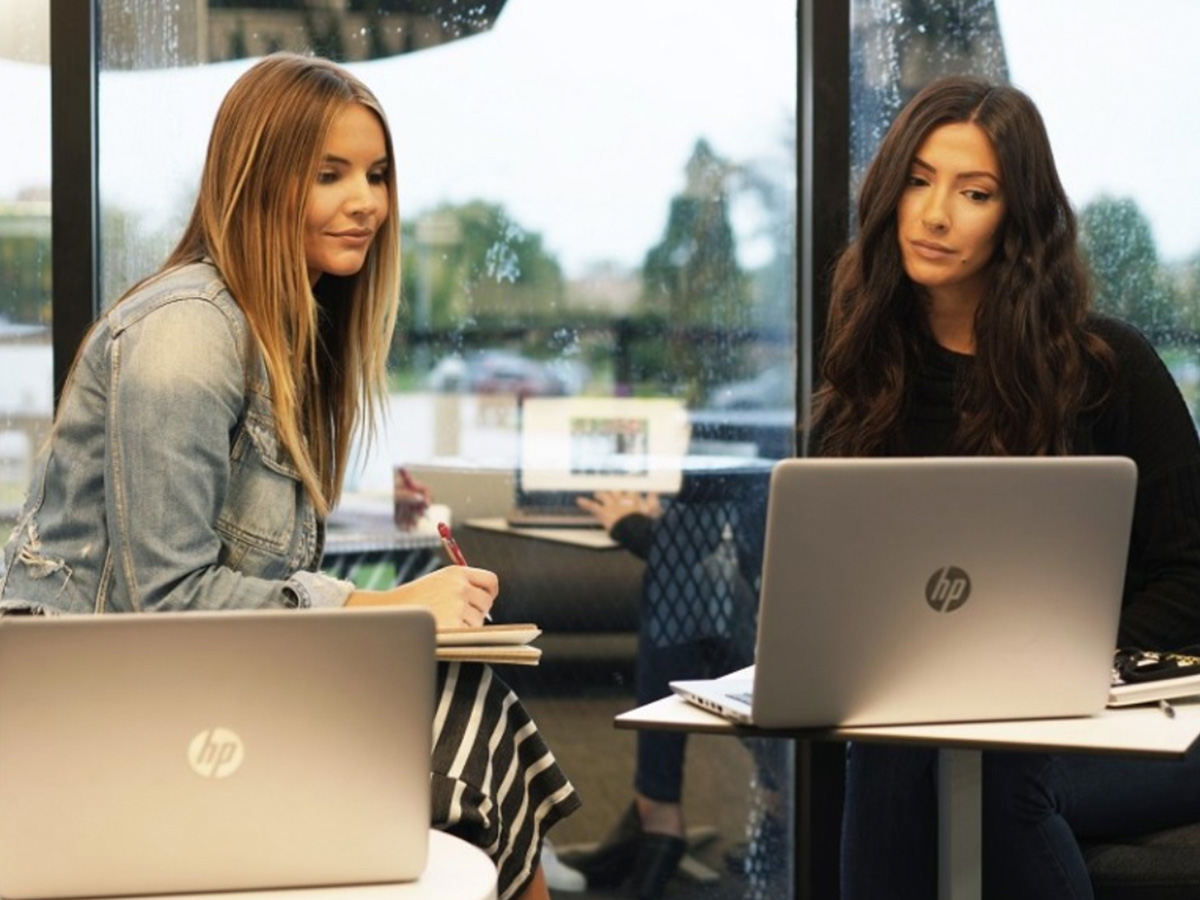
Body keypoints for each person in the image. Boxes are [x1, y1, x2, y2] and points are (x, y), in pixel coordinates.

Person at [0, 53, 578, 900]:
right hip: (77, 721)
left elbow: (243, 582)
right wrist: (382, 610)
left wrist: (393, 617)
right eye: (330, 175)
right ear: (261, 181)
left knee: (470, 700)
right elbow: (162, 604)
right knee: (460, 713)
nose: (366, 203)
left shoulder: (283, 336)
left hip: (184, 692)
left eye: (376, 175)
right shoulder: (186, 336)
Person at [811, 74, 1200, 898]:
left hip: (1136, 719)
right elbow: (835, 588)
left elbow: (1193, 577)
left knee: (993, 775)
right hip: (935, 714)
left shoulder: (1108, 368)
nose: (936, 213)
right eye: (917, 180)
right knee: (887, 749)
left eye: (974, 191)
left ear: (1017, 220)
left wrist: (1044, 665)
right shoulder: (864, 378)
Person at [571, 479, 783, 899]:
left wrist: (637, 528)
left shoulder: (777, 435)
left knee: (675, 578)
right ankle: (766, 807)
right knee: (685, 582)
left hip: (795, 655)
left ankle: (658, 816)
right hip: (773, 629)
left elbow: (757, 555)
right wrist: (669, 529)